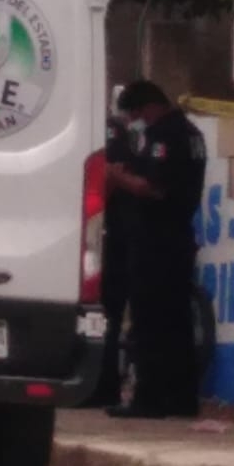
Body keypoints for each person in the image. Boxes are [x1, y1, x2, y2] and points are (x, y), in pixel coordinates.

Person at [106, 80, 207, 419]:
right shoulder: (192, 133)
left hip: (156, 241)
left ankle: (148, 398)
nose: (137, 121)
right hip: (177, 238)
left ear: (148, 107)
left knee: (149, 321)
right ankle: (181, 399)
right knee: (176, 322)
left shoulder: (165, 135)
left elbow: (154, 187)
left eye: (136, 114)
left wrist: (116, 177)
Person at [81, 114, 136, 408]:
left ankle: (102, 387)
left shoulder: (107, 128)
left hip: (106, 231)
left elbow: (113, 173)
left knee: (105, 314)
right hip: (87, 230)